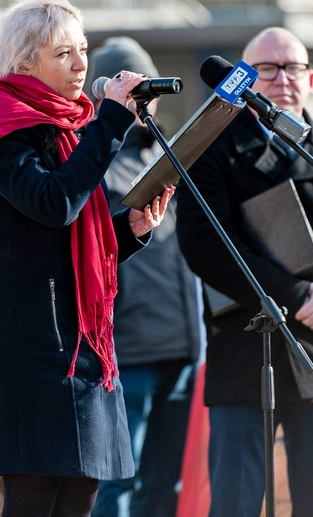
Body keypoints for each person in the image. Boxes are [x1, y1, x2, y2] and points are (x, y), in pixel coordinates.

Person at [0, 0, 175, 517]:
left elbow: (73, 235)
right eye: (63, 55)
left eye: (82, 50)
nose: (82, 65)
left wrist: (132, 228)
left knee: (81, 495)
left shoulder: (72, 128)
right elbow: (53, 204)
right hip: (28, 339)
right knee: (35, 498)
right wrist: (111, 124)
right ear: (26, 61)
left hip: (80, 336)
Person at [175, 26, 313, 517]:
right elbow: (207, 246)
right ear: (243, 80)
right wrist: (296, 295)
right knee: (234, 502)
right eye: (266, 69)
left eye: (292, 67)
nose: (281, 79)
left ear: (311, 79)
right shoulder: (212, 148)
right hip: (248, 348)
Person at [84, 37, 202, 517]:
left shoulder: (174, 153)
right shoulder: (95, 158)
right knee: (115, 488)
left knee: (165, 487)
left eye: (148, 89)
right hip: (127, 353)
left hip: (182, 352)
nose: (143, 100)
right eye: (132, 88)